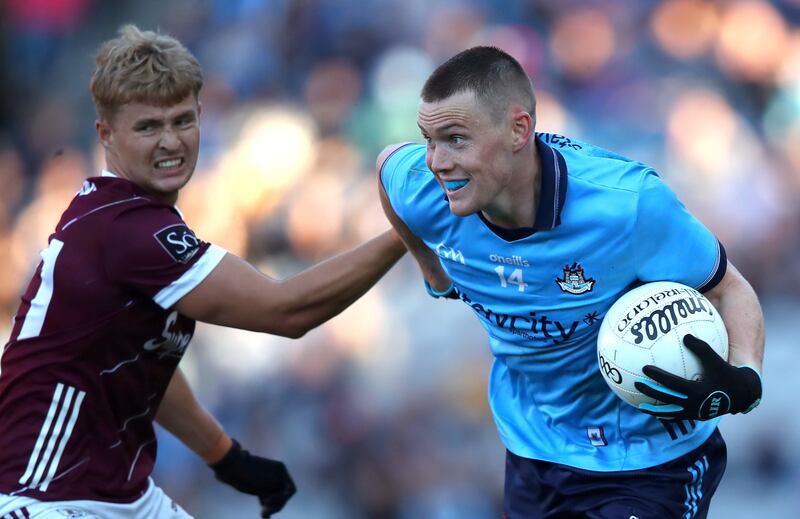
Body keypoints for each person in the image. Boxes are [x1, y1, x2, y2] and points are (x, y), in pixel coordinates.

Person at [0, 25, 406, 519]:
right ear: (106, 134)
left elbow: (143, 361)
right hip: (43, 496)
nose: (170, 141)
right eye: (148, 127)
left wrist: (225, 455)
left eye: (182, 120)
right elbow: (287, 311)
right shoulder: (128, 230)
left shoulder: (125, 215)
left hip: (122, 495)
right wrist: (406, 234)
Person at [378, 46, 764, 519]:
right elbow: (387, 168)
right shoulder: (420, 188)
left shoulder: (628, 204)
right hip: (534, 449)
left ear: (519, 130)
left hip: (649, 463)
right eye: (429, 140)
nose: (436, 161)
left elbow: (729, 289)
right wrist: (435, 273)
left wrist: (746, 376)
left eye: (456, 139)